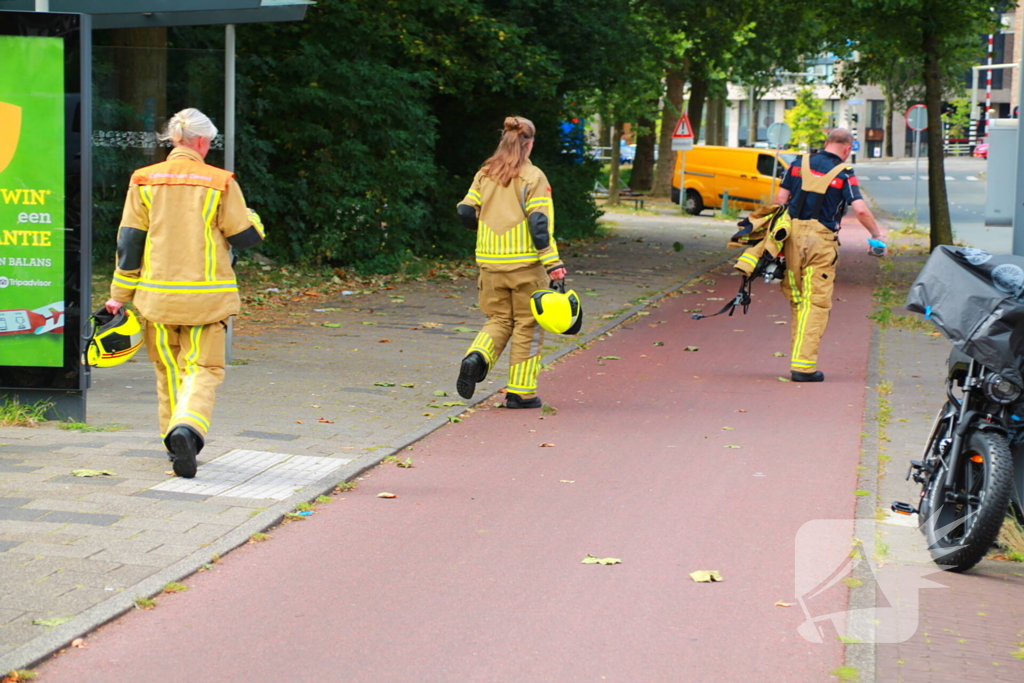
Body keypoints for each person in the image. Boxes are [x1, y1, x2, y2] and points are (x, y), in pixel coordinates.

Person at [104, 108, 265, 477]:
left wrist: (119, 294)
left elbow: (130, 241)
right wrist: (254, 218)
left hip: (156, 301)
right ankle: (187, 430)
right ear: (202, 141)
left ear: (174, 140)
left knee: (167, 372)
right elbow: (244, 236)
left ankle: (173, 445)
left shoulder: (143, 180)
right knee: (203, 369)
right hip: (207, 302)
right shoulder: (220, 182)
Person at [455, 116, 566, 408]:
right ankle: (521, 393)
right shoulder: (534, 177)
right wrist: (553, 264)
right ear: (528, 145)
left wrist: (484, 230)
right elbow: (539, 225)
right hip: (526, 267)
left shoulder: (485, 173)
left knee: (499, 319)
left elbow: (465, 211)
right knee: (528, 325)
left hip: (489, 265)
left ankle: (477, 356)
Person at [773, 128, 886, 383]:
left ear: (826, 143)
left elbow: (780, 199)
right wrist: (876, 235)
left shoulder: (797, 163)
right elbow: (861, 210)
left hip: (790, 237)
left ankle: (799, 359)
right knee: (816, 302)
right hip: (821, 241)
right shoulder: (844, 173)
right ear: (848, 148)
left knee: (798, 301)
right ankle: (803, 367)